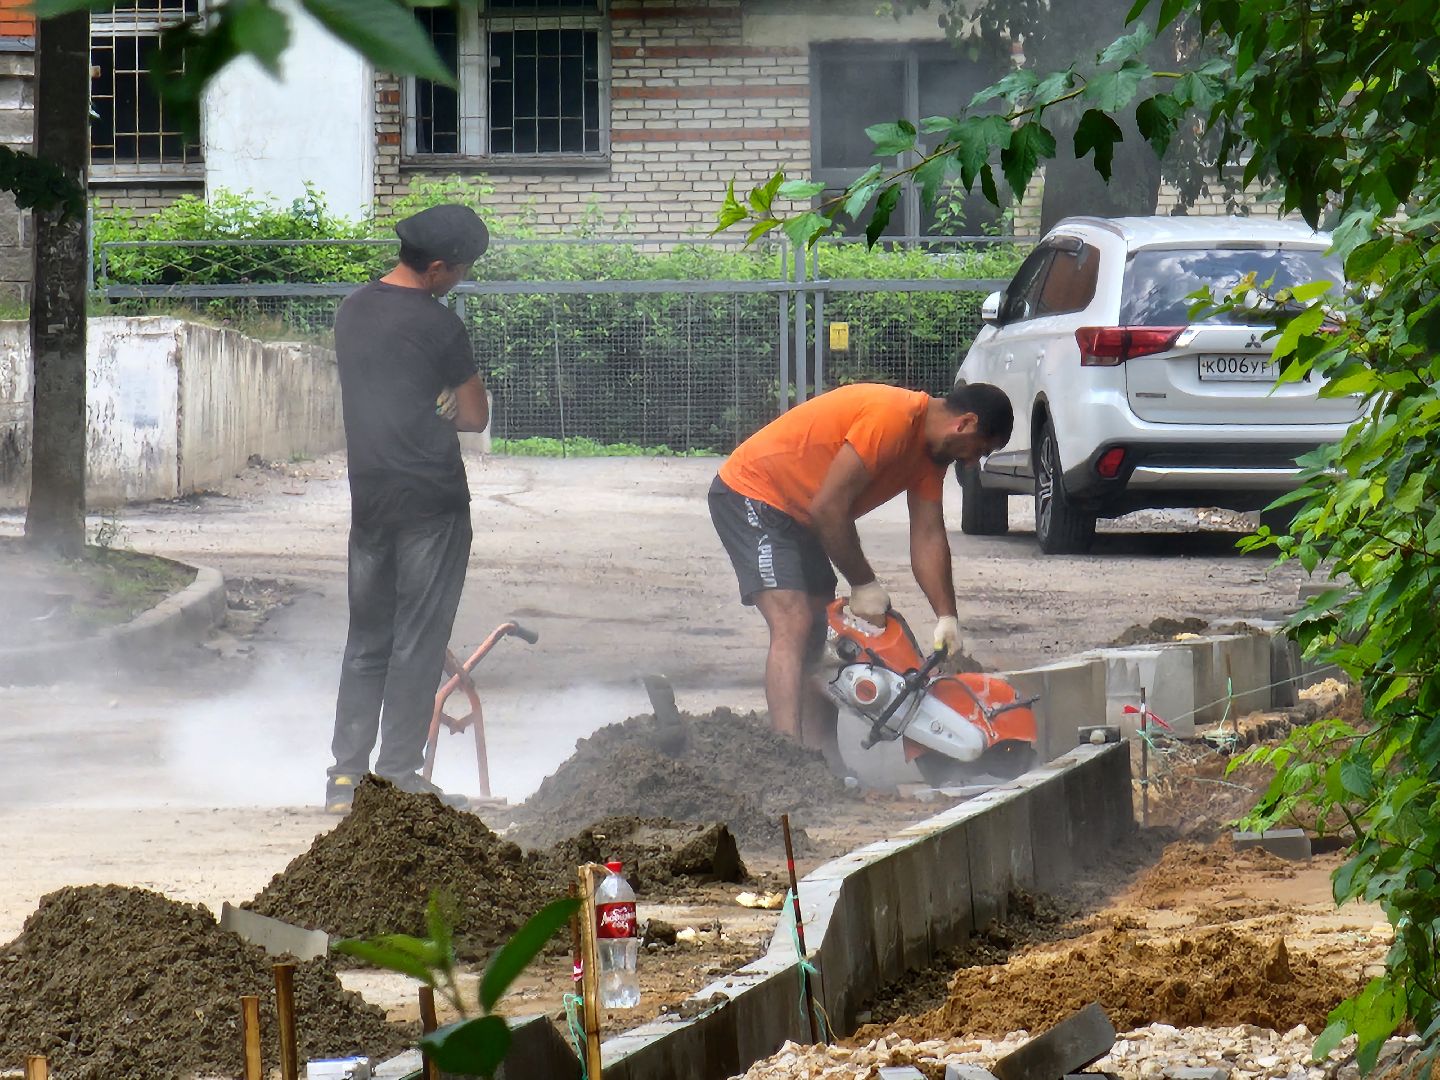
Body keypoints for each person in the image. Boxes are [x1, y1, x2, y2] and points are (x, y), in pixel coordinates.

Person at [708, 381, 1014, 767]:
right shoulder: (893, 420)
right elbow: (828, 509)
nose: (972, 463)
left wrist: (946, 615)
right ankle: (787, 761)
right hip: (753, 493)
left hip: (800, 511)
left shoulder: (930, 458)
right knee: (793, 621)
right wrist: (863, 582)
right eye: (980, 450)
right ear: (965, 423)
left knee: (820, 629)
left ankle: (823, 759)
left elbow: (928, 536)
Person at [325, 204, 492, 814]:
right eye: (461, 270)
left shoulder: (352, 309)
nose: (460, 280)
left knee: (366, 640)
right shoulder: (439, 325)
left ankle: (344, 780)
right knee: (417, 643)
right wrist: (443, 402)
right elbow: (474, 416)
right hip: (431, 503)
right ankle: (396, 777)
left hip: (370, 499)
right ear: (438, 267)